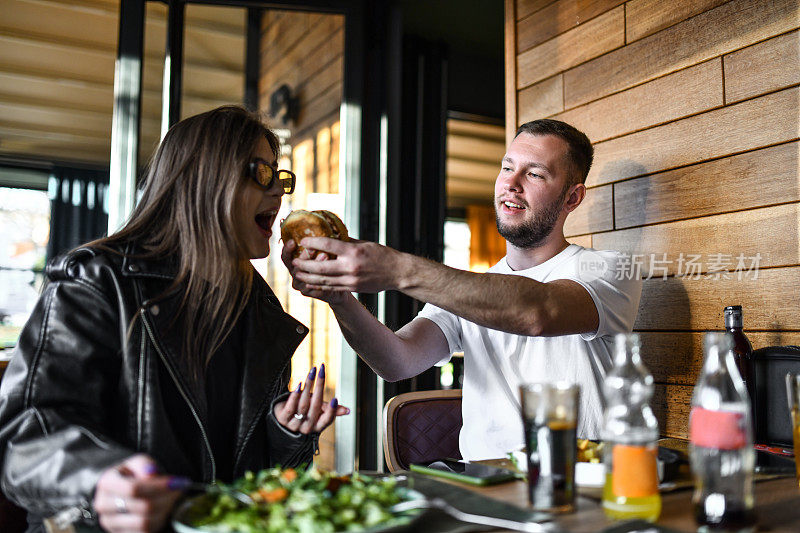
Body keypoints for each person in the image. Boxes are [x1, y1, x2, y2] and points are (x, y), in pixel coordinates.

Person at [0, 106, 348, 533]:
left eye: (280, 176)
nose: (279, 190)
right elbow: (26, 439)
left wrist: (284, 431)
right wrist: (101, 481)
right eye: (262, 173)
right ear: (206, 177)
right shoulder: (96, 278)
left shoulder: (262, 311)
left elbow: (254, 478)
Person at [283, 119, 641, 461]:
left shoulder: (609, 269)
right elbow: (396, 361)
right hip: (482, 485)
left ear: (572, 198)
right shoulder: (469, 290)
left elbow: (537, 313)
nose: (511, 183)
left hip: (577, 483)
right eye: (506, 168)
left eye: (534, 174)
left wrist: (398, 270)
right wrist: (339, 298)